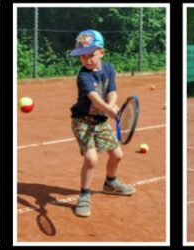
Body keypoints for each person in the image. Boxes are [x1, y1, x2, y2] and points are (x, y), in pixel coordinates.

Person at [69, 29, 135, 217]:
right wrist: (109, 110)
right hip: (82, 121)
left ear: (102, 53)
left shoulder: (109, 69)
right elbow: (95, 99)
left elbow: (112, 91)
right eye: (82, 57)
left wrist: (112, 105)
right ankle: (84, 196)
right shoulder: (83, 76)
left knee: (117, 155)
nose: (87, 60)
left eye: (91, 55)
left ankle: (110, 183)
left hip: (101, 122)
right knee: (91, 159)